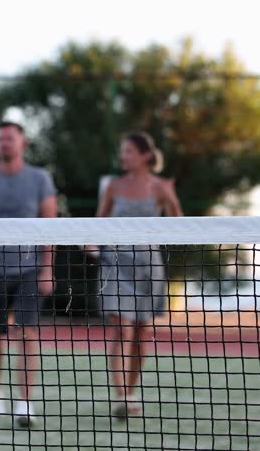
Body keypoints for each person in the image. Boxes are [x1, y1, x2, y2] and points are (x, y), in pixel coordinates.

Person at [0, 121, 57, 427]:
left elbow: (49, 227)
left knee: (27, 334)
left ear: (22, 143)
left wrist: (47, 269)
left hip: (30, 271)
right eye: (0, 139)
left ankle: (25, 403)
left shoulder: (40, 179)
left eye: (9, 139)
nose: (4, 143)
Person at [95, 132, 182, 418]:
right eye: (122, 151)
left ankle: (131, 392)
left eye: (129, 151)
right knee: (122, 330)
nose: (123, 156)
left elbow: (180, 224)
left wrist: (170, 197)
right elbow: (98, 222)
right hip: (115, 263)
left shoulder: (160, 186)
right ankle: (122, 396)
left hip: (148, 265)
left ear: (145, 155)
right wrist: (90, 243)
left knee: (142, 335)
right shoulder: (113, 186)